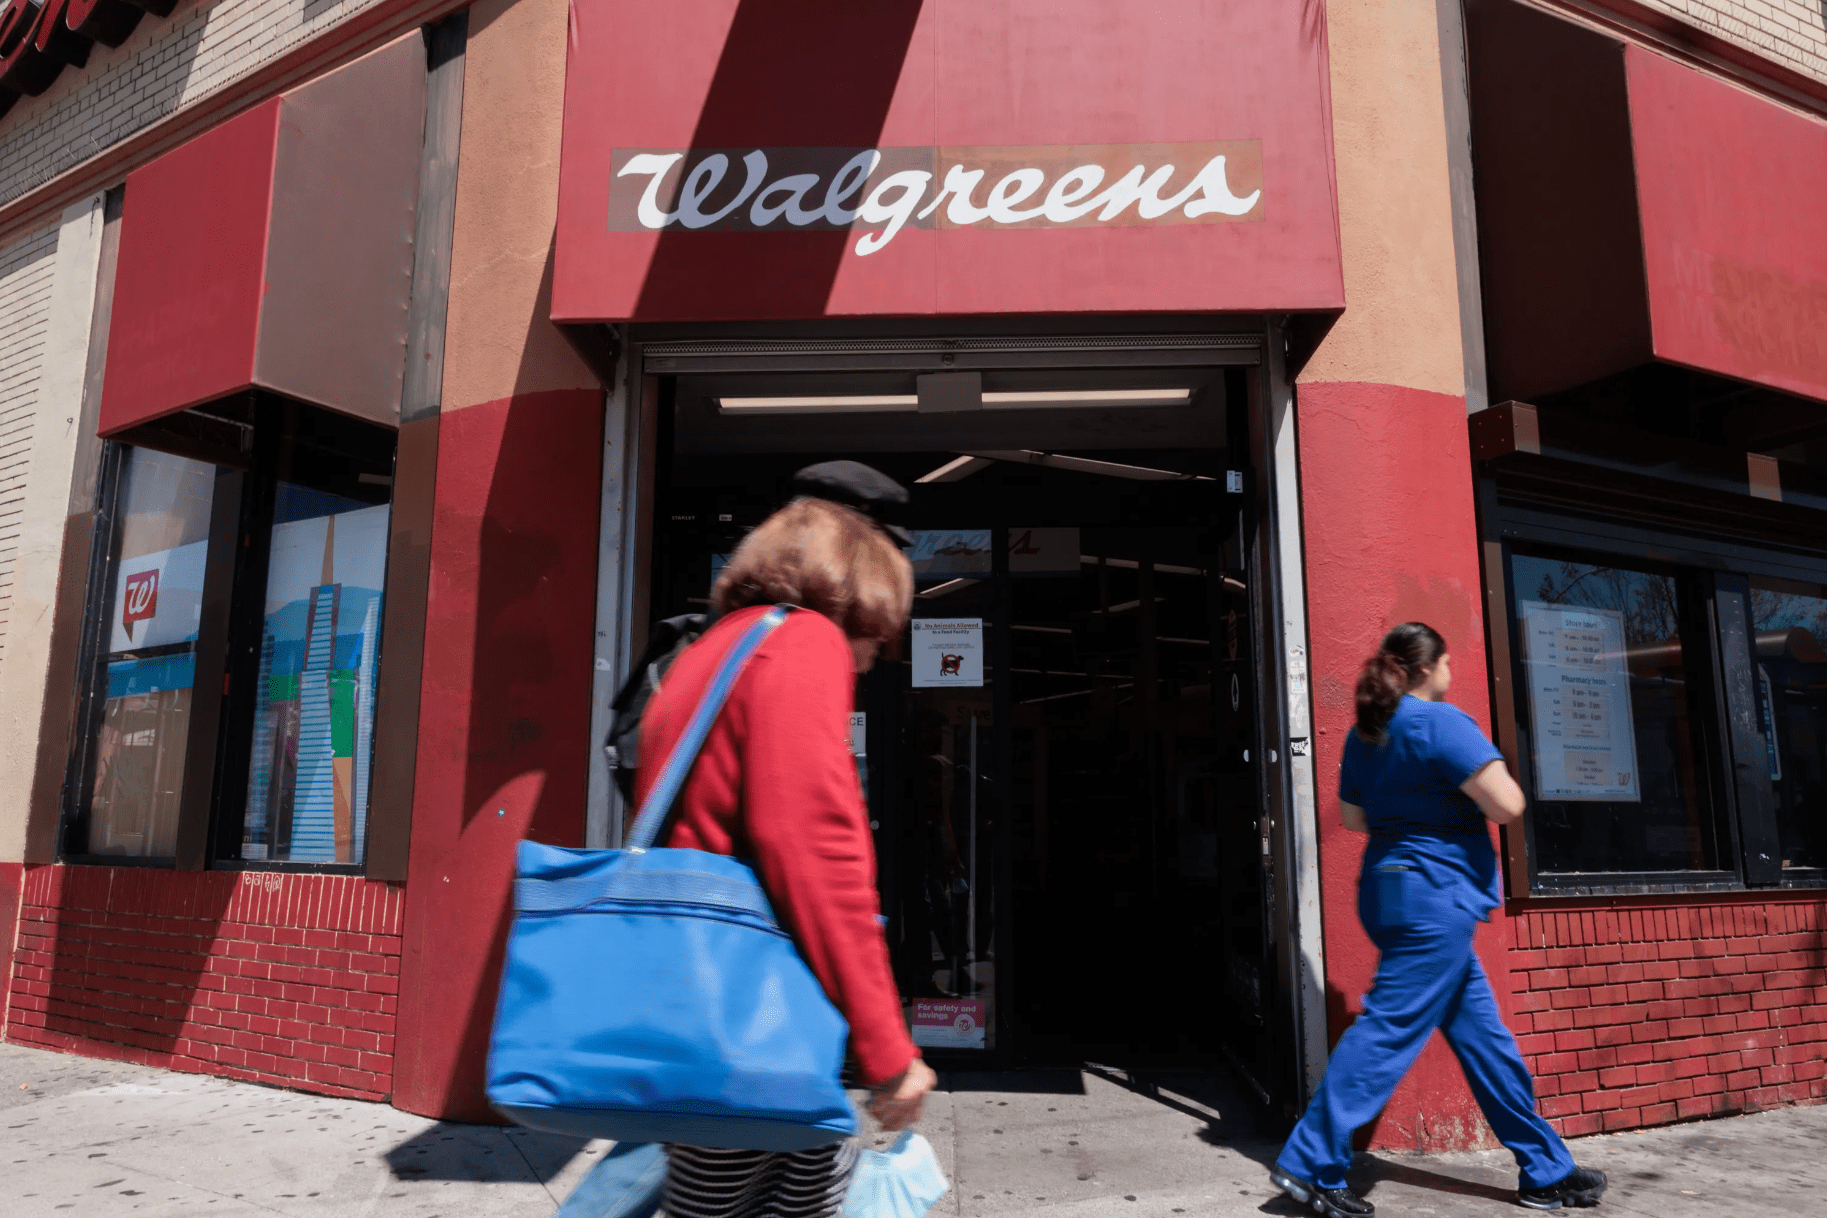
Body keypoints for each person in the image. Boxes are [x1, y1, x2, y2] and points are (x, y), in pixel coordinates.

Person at [633, 464, 936, 1218]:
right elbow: (814, 855)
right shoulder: (802, 646)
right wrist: (886, 1051)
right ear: (858, 579)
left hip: (704, 1007)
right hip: (756, 1028)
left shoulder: (709, 649)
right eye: (880, 628)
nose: (879, 651)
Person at [1271, 623, 1607, 1217]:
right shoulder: (1443, 722)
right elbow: (1507, 805)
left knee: (1484, 1039)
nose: (1452, 672)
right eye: (1448, 662)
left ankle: (1545, 1170)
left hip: (1387, 893)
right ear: (1428, 667)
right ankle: (1310, 1163)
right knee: (1389, 1028)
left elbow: (1354, 820)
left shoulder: (1365, 733)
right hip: (1436, 901)